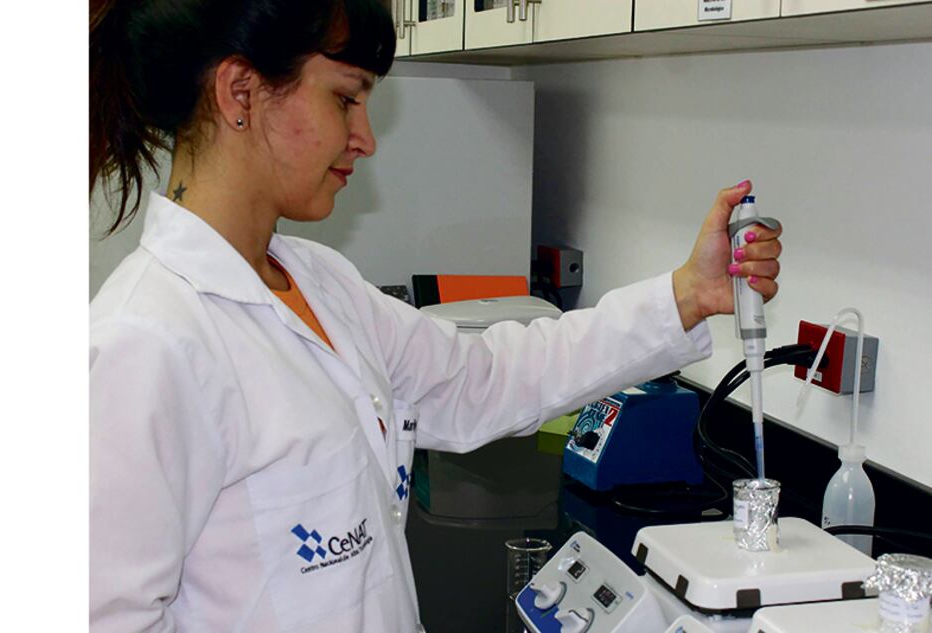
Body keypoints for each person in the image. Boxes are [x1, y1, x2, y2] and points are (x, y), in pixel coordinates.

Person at [88, 1, 783, 632]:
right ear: (241, 93)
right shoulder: (143, 342)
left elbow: (487, 376)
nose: (365, 136)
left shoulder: (320, 283)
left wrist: (686, 294)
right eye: (345, 97)